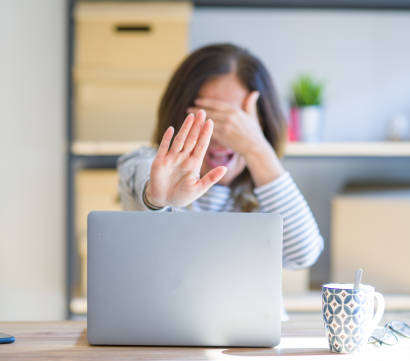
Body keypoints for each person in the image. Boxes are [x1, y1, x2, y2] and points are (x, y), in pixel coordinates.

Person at [118, 43, 323, 271]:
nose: (221, 134)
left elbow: (303, 254)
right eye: (207, 117)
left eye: (236, 122)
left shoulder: (267, 192)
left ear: (260, 125)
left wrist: (256, 148)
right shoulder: (142, 163)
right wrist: (157, 199)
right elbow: (148, 186)